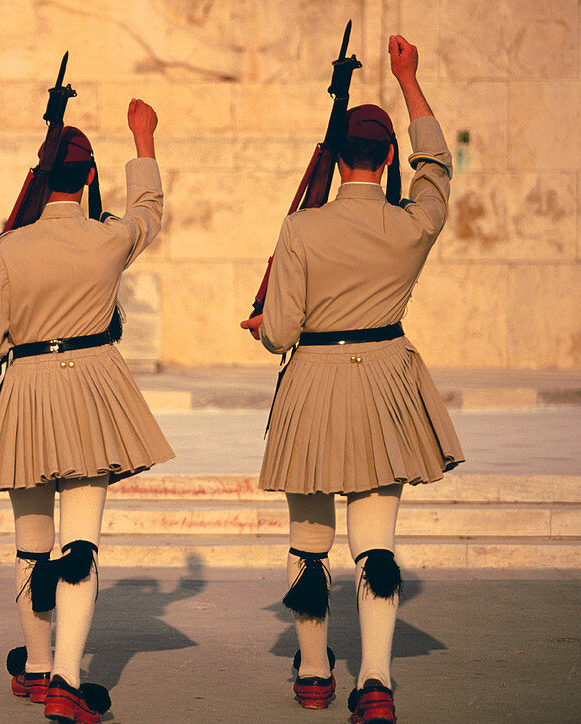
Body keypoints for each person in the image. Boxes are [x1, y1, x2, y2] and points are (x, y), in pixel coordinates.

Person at [240, 35, 463, 724]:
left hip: (311, 382)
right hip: (385, 384)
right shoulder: (414, 223)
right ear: (389, 157)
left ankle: (312, 672)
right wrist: (410, 79)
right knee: (377, 542)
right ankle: (374, 682)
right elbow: (439, 167)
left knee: (309, 541)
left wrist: (262, 327)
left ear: (336, 160)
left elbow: (279, 332)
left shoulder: (302, 228)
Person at [0, 99, 174, 724]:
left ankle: (34, 662)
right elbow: (148, 214)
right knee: (80, 543)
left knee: (32, 544)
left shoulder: (6, 248)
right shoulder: (108, 238)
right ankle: (67, 678)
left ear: (39, 179)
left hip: (26, 389)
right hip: (91, 389)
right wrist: (142, 139)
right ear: (86, 179)